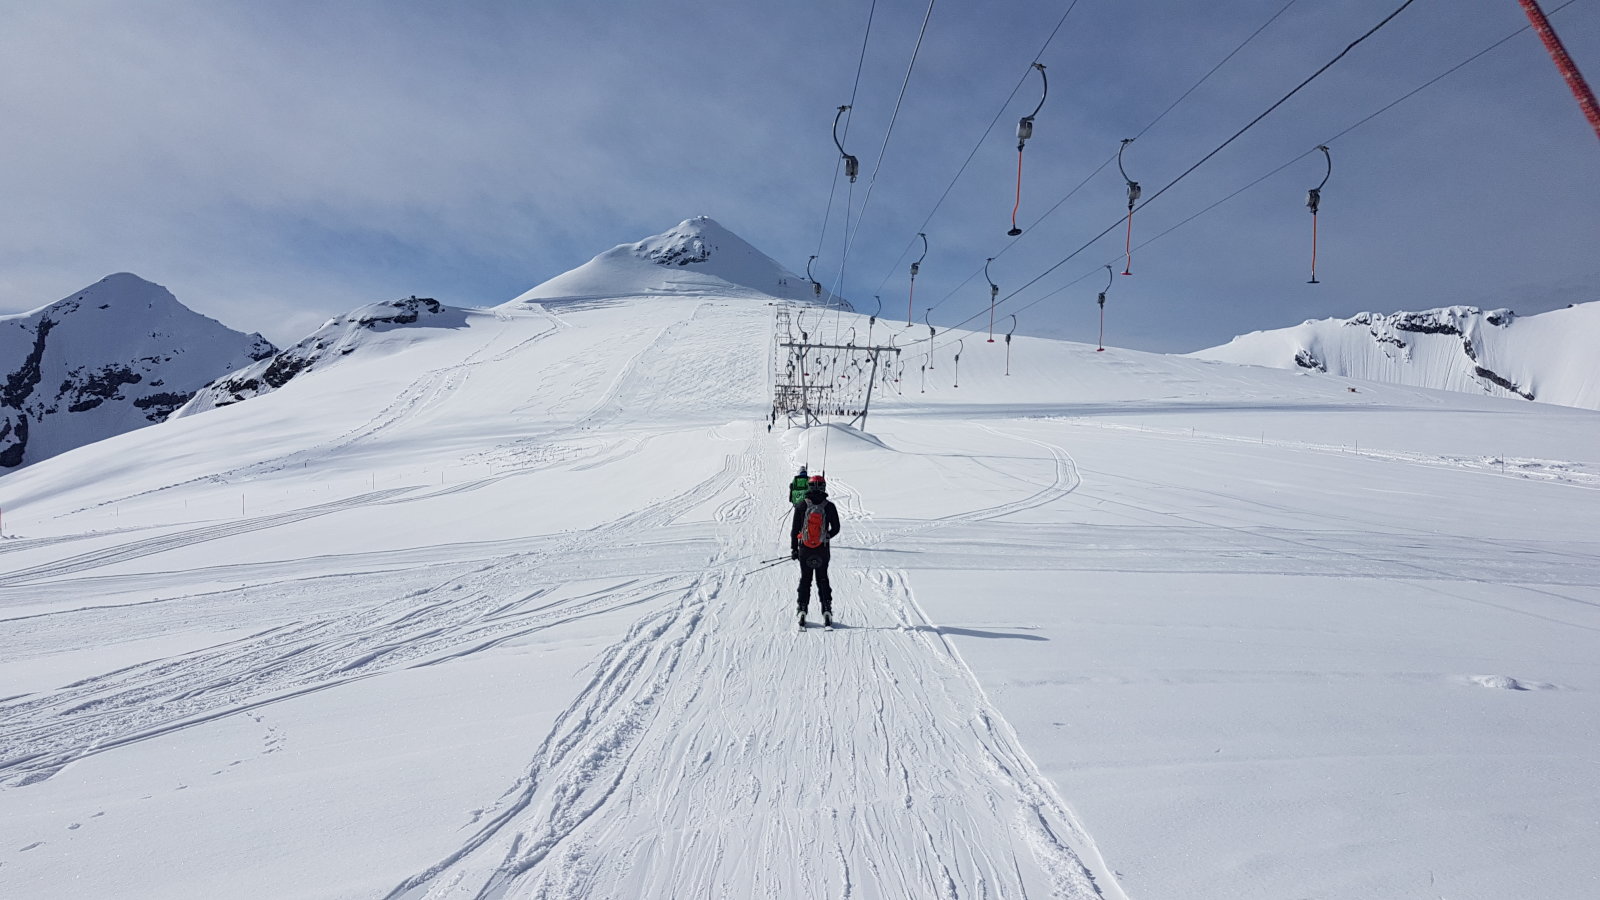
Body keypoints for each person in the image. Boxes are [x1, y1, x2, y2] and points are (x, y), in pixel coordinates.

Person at [790, 475, 841, 628]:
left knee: (805, 579)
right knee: (822, 579)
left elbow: (794, 531)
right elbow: (836, 528)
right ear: (824, 487)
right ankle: (826, 610)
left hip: (805, 549)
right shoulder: (829, 506)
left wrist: (794, 549)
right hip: (822, 550)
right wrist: (826, 536)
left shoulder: (801, 505)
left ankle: (803, 609)